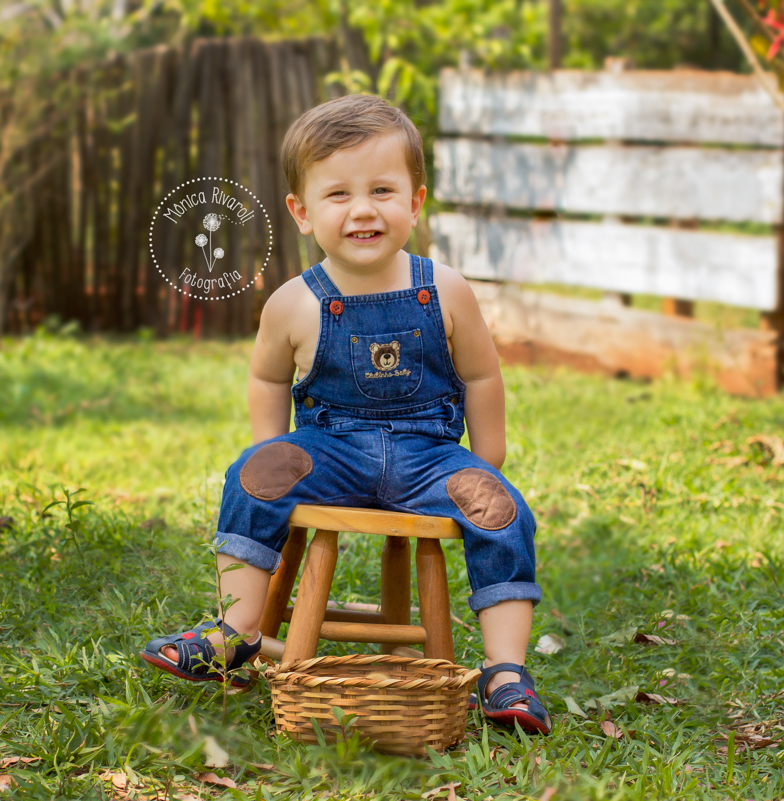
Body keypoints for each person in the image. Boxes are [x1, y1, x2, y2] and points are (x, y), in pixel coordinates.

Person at [140, 94, 550, 734]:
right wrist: (270, 451)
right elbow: (266, 376)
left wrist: (486, 458)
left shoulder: (445, 289)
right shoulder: (292, 303)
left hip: (430, 458)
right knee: (251, 476)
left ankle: (505, 674)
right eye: (339, 195)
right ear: (302, 214)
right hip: (329, 451)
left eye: (383, 190)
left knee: (501, 511)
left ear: (415, 202)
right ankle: (235, 630)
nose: (363, 210)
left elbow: (481, 373)